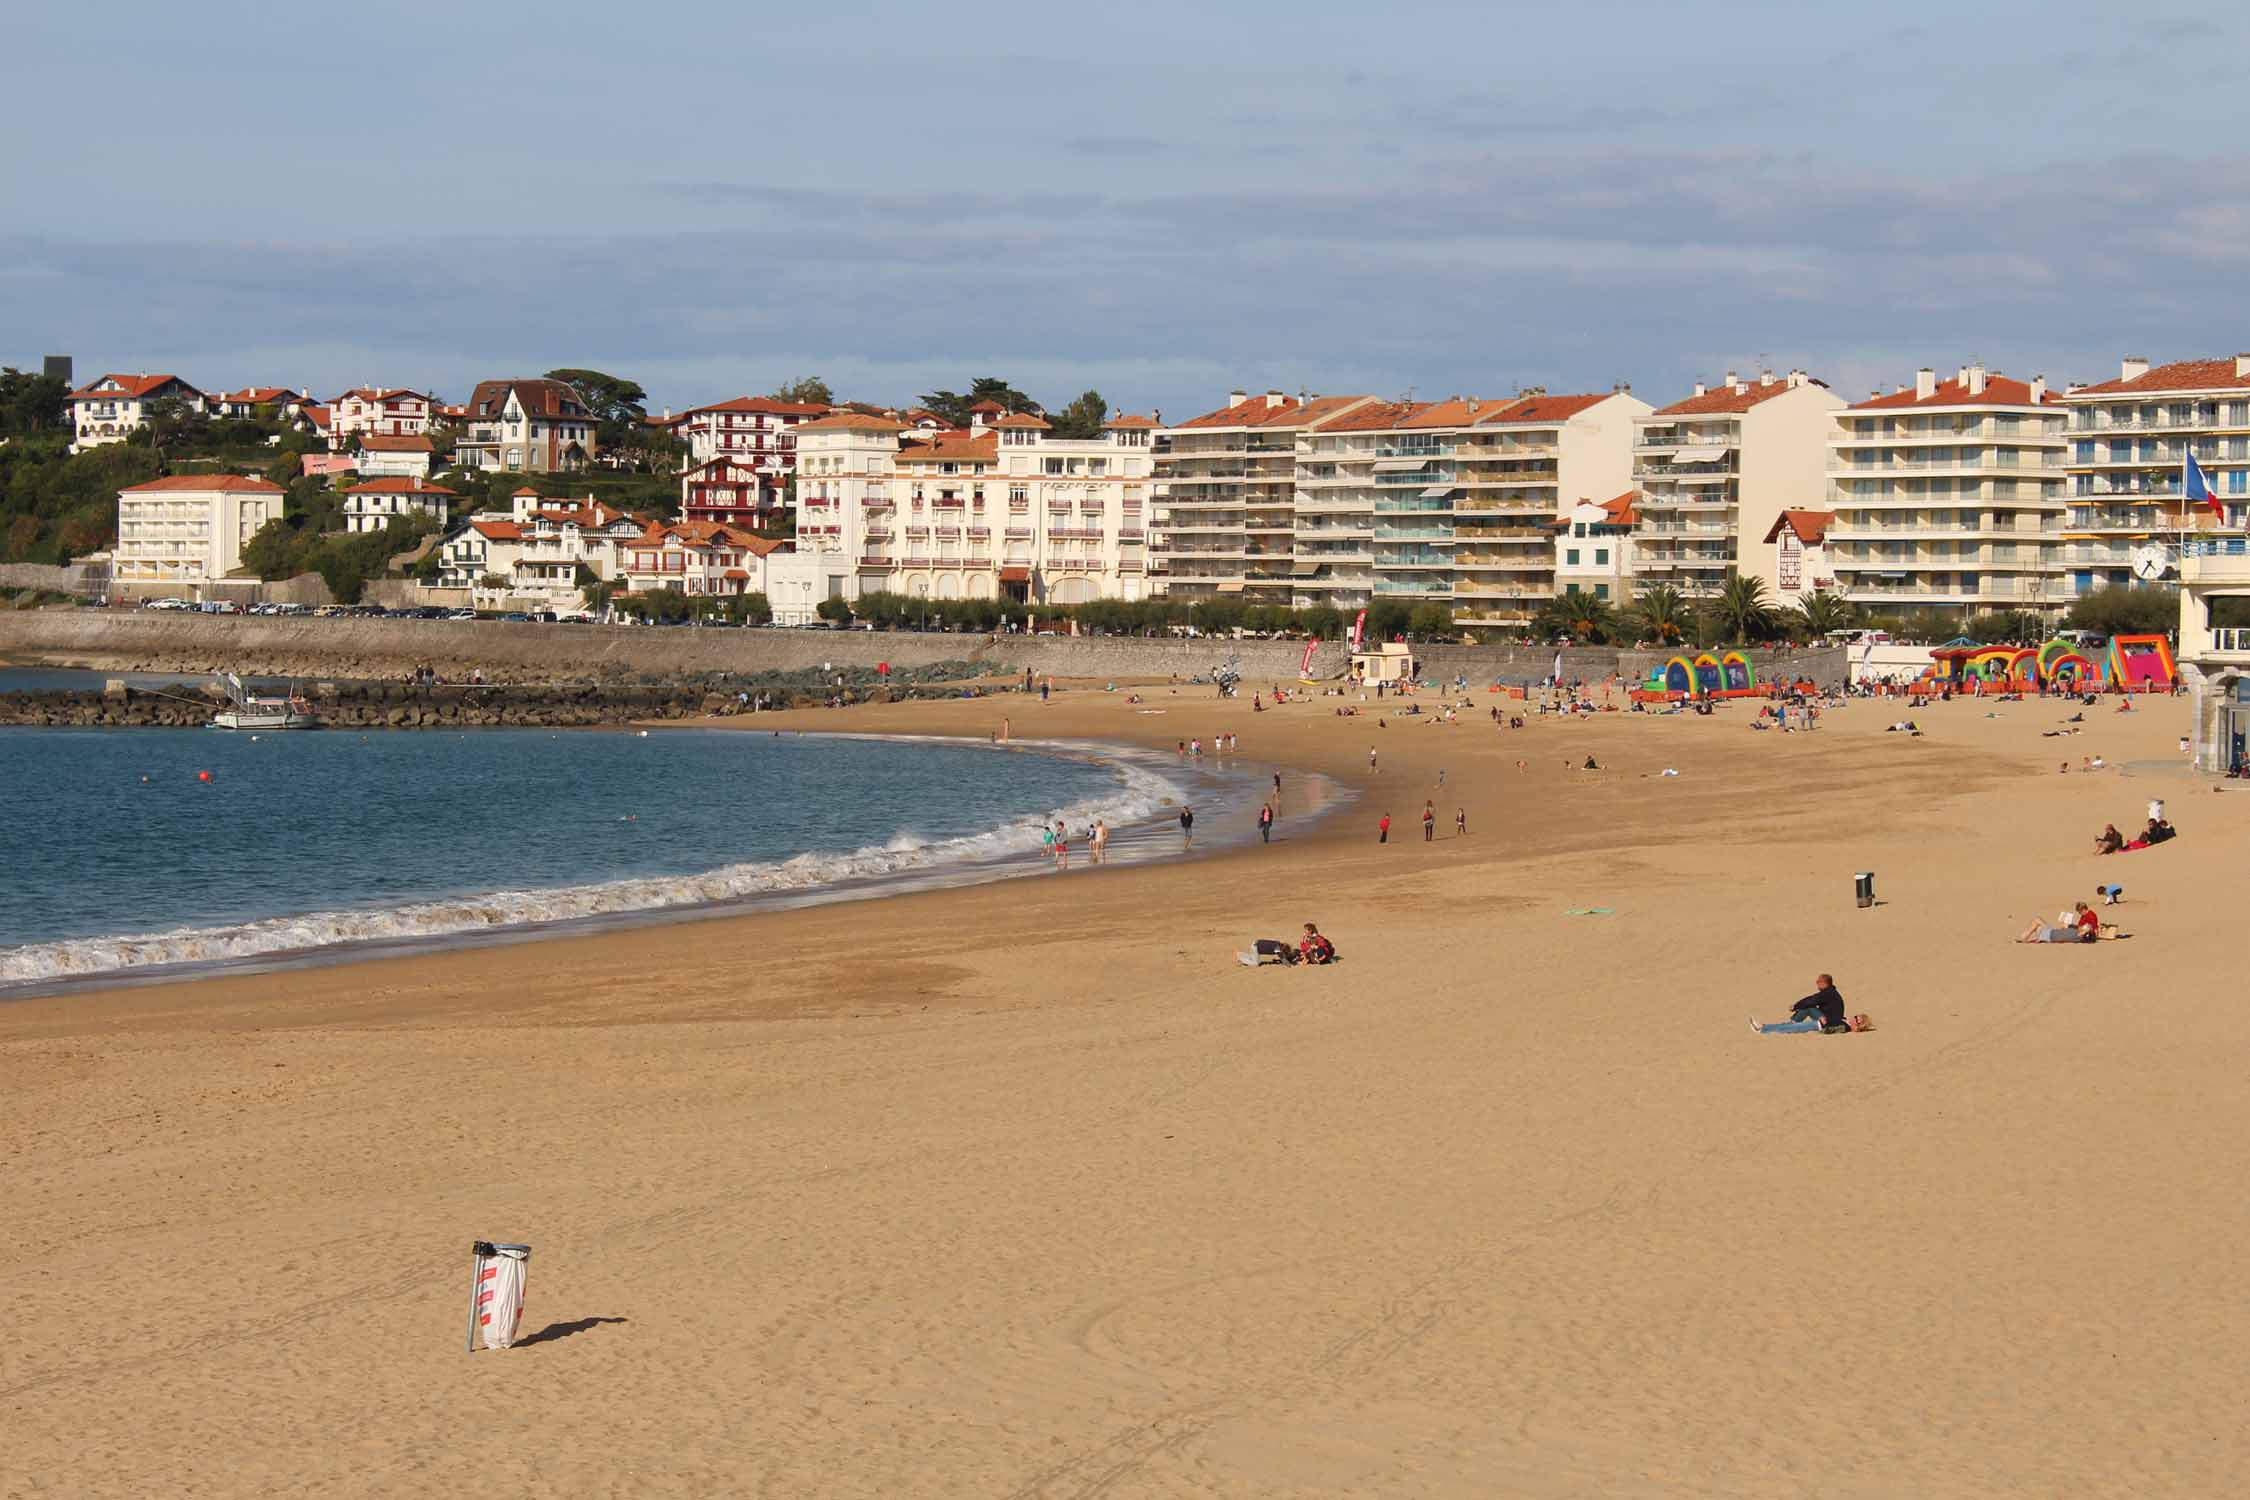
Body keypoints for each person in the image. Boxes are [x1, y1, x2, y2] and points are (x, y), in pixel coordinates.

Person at [1751, 974, 1847, 1033]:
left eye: (1818, 981)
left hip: (1826, 1022)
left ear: (1824, 983)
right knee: (1807, 1008)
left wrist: (1795, 1006)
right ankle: (1791, 1023)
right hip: (1825, 1019)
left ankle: (1763, 1029)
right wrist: (1797, 1006)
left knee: (1794, 1026)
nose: (1816, 983)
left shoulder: (1828, 993)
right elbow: (1811, 999)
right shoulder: (1830, 992)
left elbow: (1812, 1000)